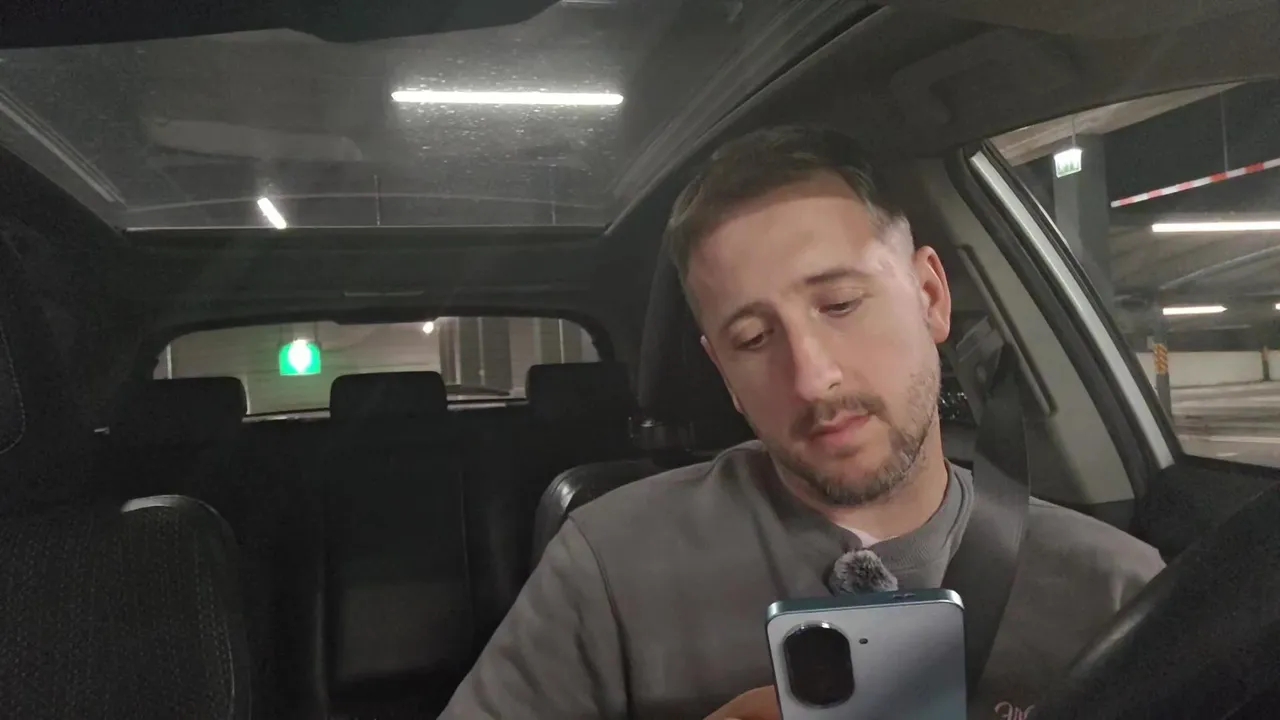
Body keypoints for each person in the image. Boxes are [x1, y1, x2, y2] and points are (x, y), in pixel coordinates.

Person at [440, 125, 1165, 720]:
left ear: (930, 296)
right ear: (723, 372)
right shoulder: (609, 566)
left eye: (841, 304)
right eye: (754, 339)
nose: (813, 378)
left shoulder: (1113, 589)